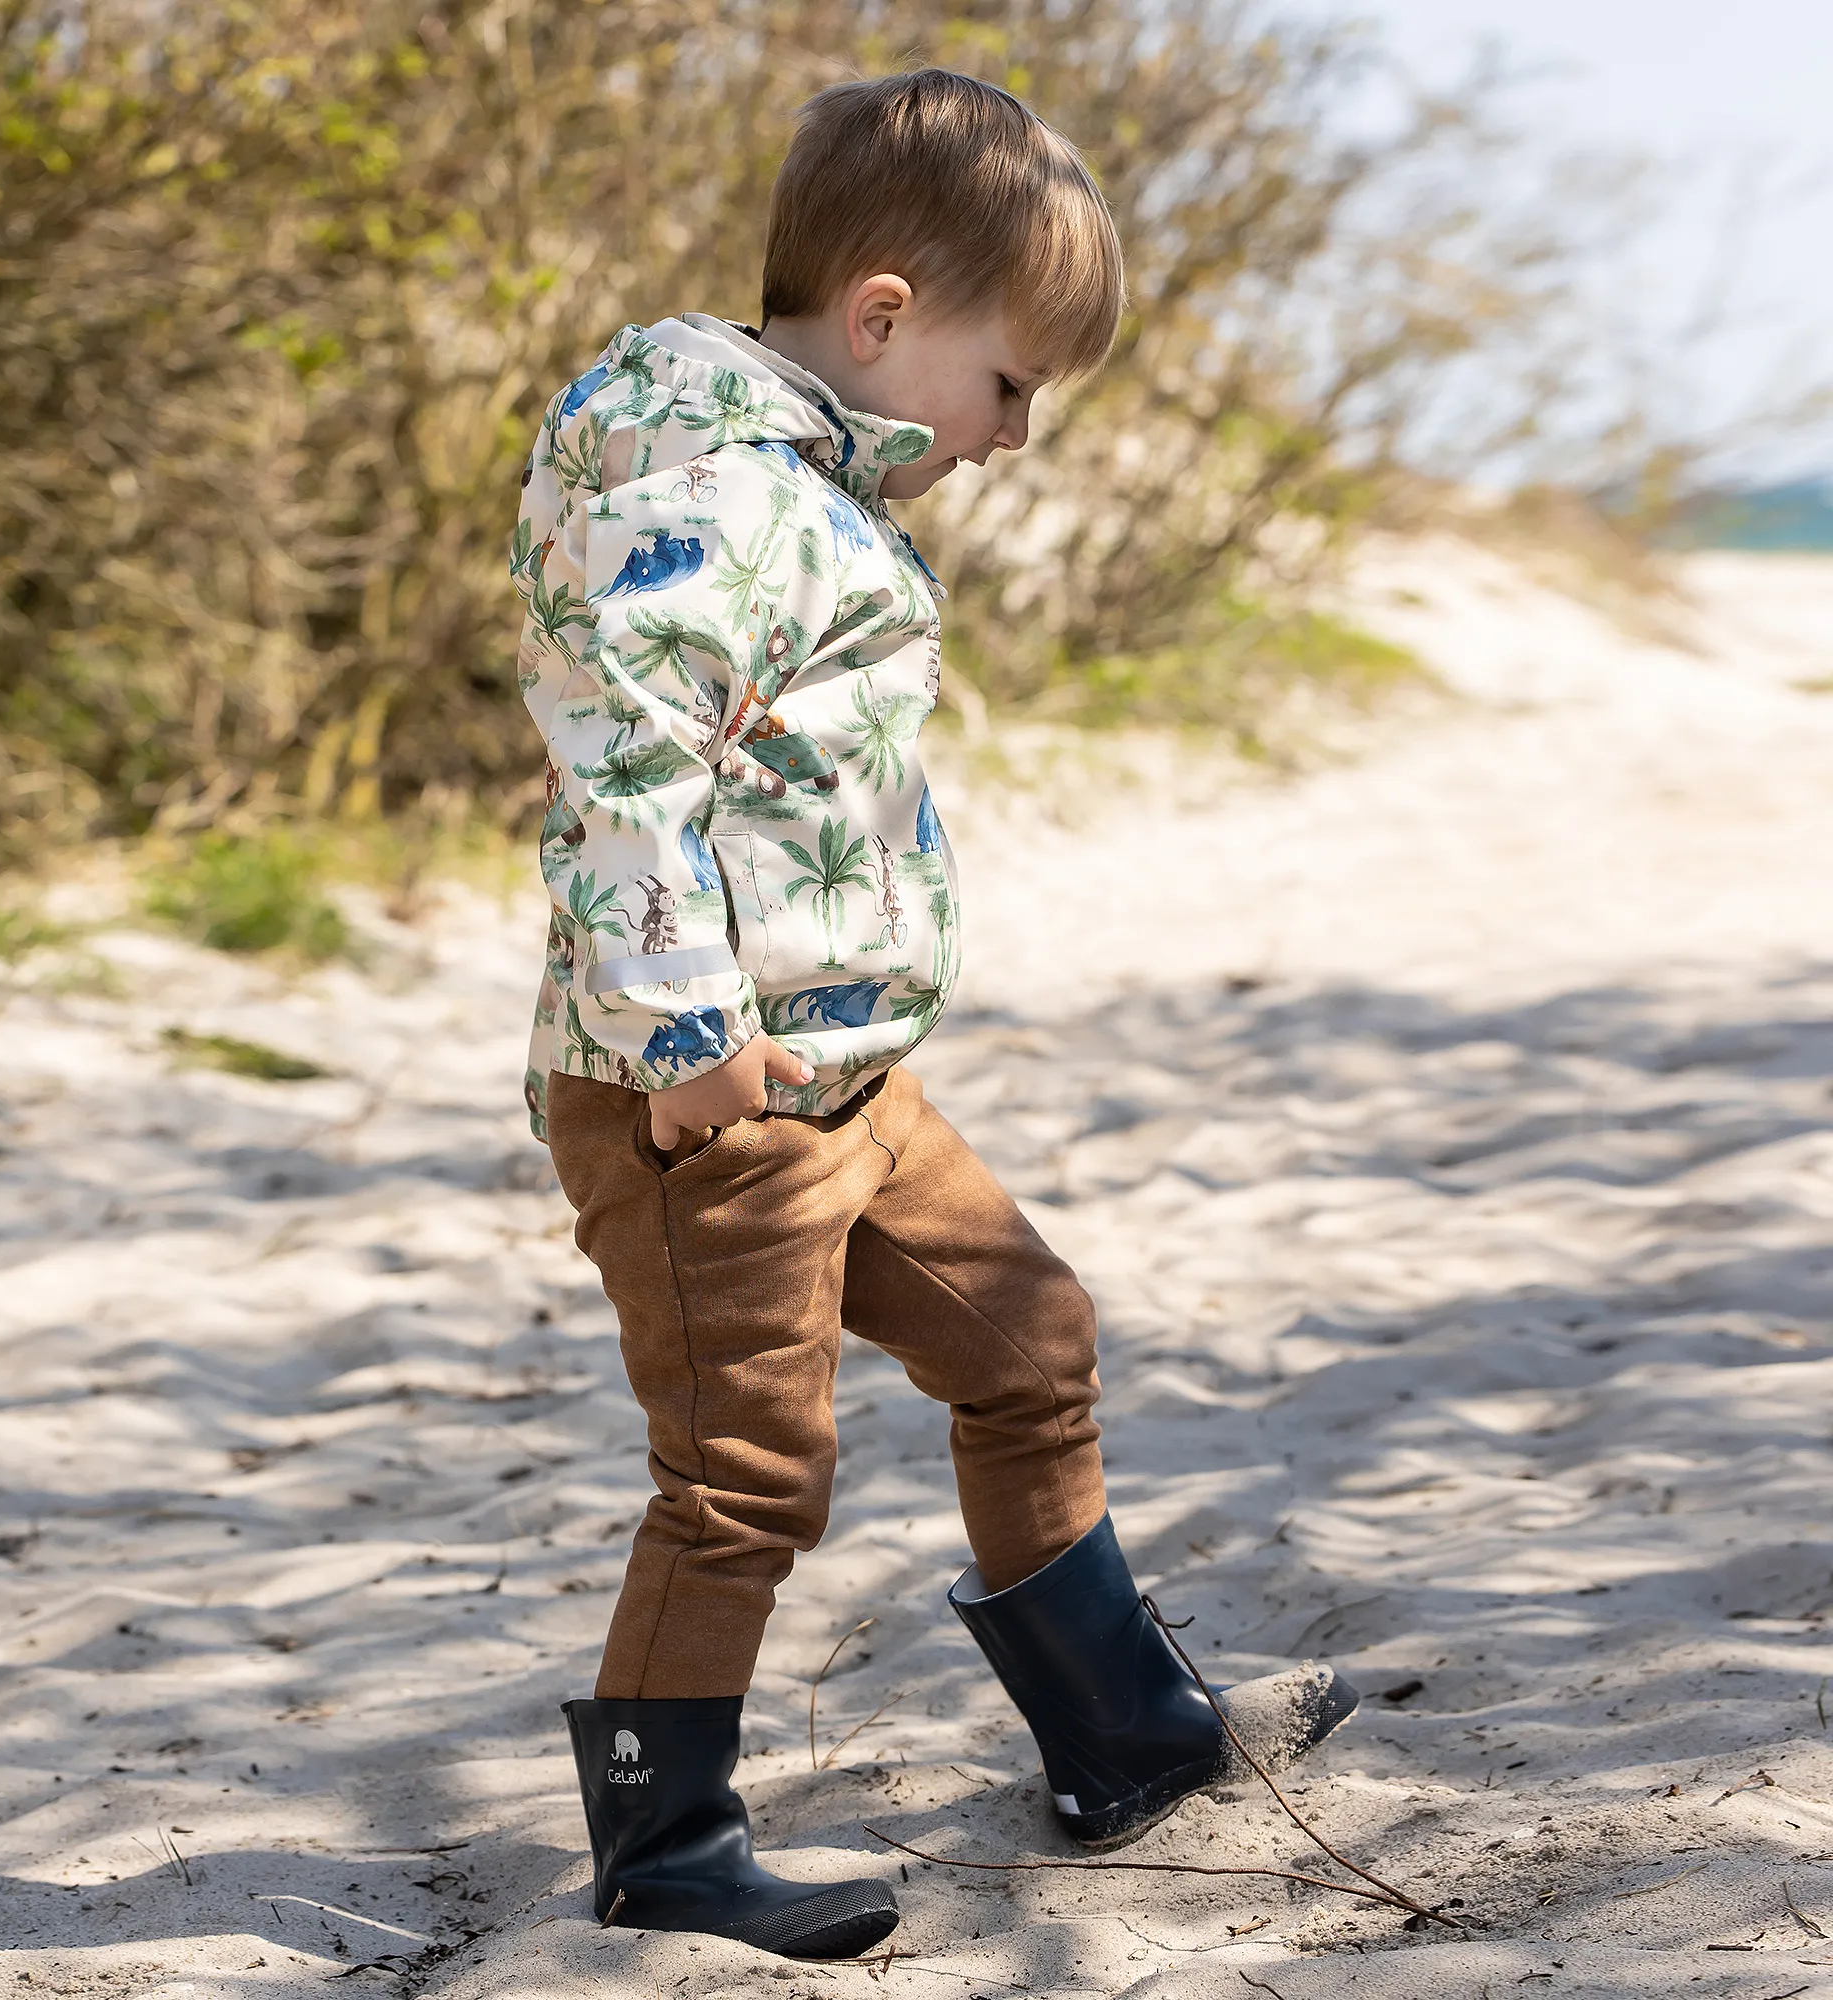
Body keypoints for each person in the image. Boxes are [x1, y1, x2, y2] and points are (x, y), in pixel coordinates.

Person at [511, 68, 1357, 1962]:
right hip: (708, 1096)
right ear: (886, 320)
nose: (1019, 435)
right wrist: (680, 1027)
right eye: (1012, 385)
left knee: (1030, 1337)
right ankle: (665, 1848)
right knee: (745, 1474)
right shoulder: (704, 495)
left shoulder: (802, 483)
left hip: (851, 1079)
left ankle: (1124, 1733)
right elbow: (624, 766)